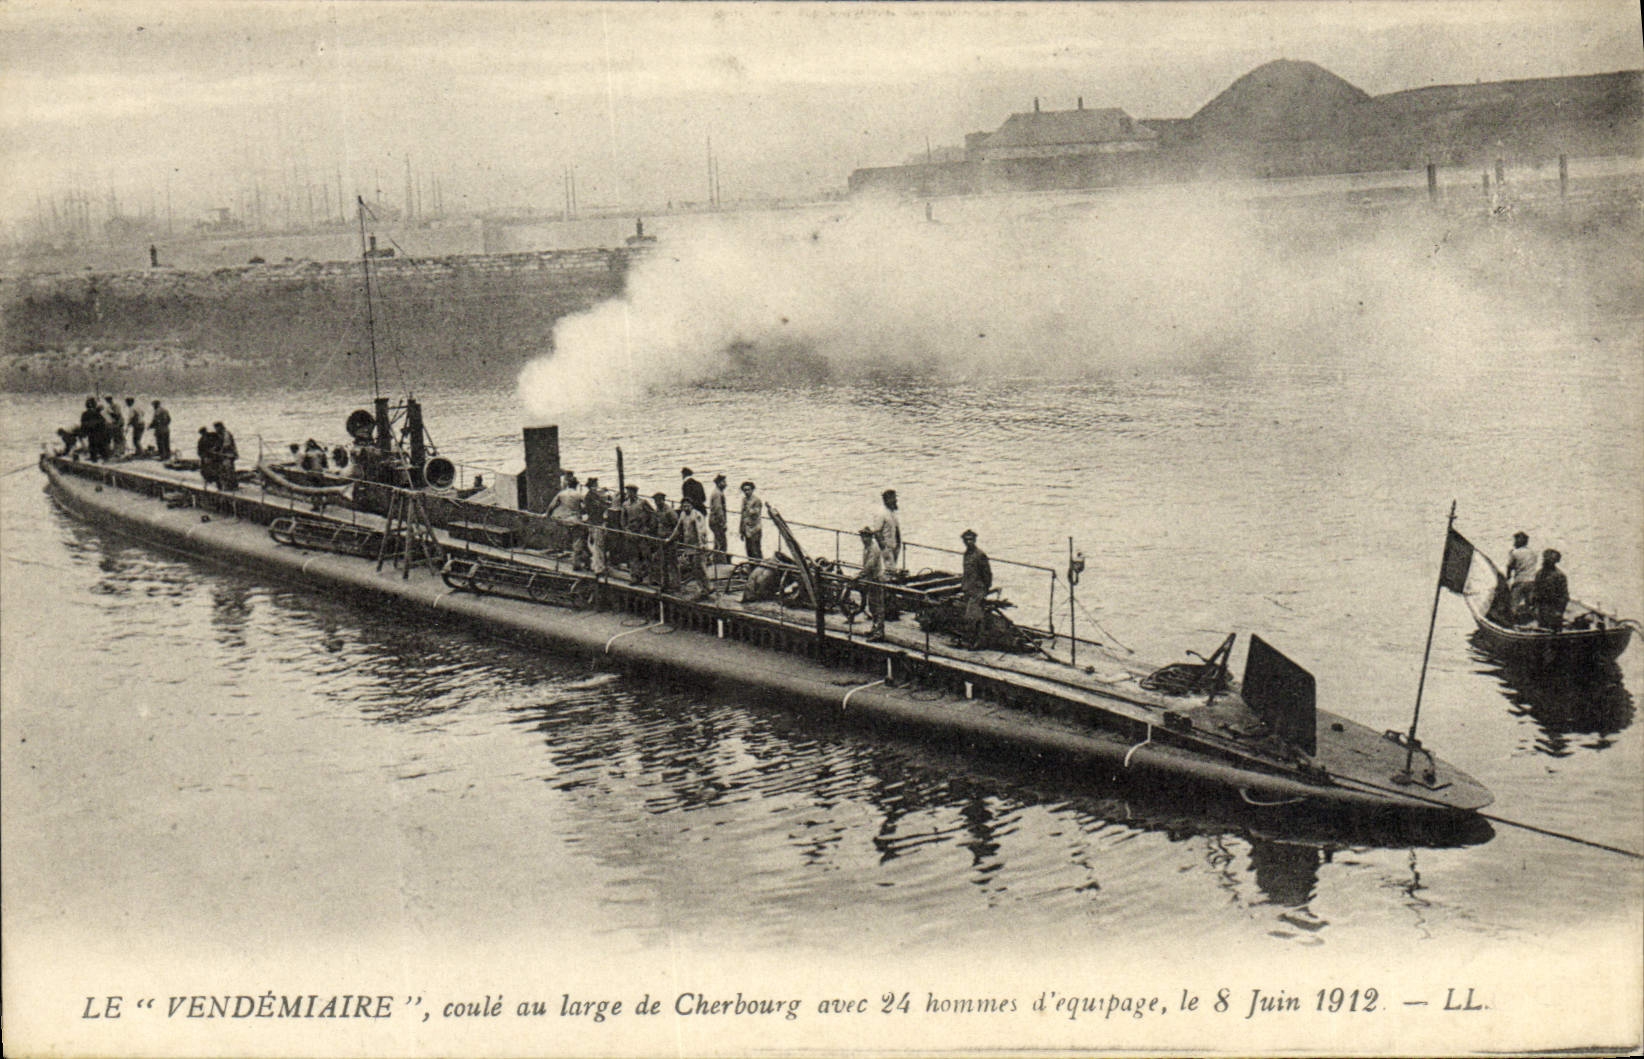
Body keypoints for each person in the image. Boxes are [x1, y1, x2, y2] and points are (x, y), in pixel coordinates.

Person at [670, 496, 713, 600]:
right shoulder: (683, 515)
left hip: (698, 546)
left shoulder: (697, 515)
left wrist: (701, 545)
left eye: (687, 506)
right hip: (689, 546)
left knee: (700, 567)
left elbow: (700, 531)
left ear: (691, 506)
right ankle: (702, 589)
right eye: (684, 506)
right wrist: (670, 538)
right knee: (694, 568)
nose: (685, 508)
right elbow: (678, 528)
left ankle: (707, 587)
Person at [960, 529, 992, 649]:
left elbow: (987, 574)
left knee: (972, 616)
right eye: (966, 540)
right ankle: (969, 640)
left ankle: (978, 642)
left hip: (978, 590)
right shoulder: (966, 554)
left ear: (974, 540)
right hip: (968, 588)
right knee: (967, 615)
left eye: (971, 540)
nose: (969, 542)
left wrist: (985, 590)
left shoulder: (980, 555)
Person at [857, 527, 888, 641]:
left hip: (876, 579)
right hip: (871, 579)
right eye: (862, 536)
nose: (863, 539)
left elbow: (870, 564)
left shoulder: (874, 548)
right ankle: (874, 629)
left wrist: (860, 575)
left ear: (870, 537)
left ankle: (879, 633)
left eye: (865, 536)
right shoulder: (867, 547)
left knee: (878, 607)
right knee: (872, 605)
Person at [1532, 549, 1569, 631]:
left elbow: (1564, 596)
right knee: (1542, 630)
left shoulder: (1559, 575)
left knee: (1555, 632)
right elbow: (1535, 591)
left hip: (1554, 608)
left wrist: (1559, 611)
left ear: (1555, 561)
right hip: (1542, 608)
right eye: (1545, 558)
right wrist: (1535, 607)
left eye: (1550, 559)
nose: (1546, 560)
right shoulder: (1539, 574)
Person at [1505, 532, 1539, 622]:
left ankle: (1511, 622)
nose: (1514, 543)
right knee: (1530, 603)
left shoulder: (1514, 553)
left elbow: (1510, 567)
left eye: (1515, 540)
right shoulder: (1533, 552)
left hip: (1520, 581)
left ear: (1518, 542)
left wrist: (1507, 578)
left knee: (1513, 603)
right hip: (1532, 580)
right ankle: (1532, 621)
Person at [652, 492, 679, 589]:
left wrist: (671, 538)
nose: (657, 503)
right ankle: (665, 583)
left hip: (670, 540)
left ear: (663, 500)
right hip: (661, 539)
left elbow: (677, 526)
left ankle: (676, 584)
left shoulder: (669, 512)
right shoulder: (657, 511)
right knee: (662, 561)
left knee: (672, 562)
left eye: (659, 500)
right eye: (655, 501)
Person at [875, 489, 903, 573]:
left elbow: (896, 528)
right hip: (887, 546)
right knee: (889, 567)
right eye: (893, 498)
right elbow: (877, 531)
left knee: (893, 567)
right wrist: (884, 547)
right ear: (887, 500)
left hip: (895, 545)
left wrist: (899, 543)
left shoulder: (893, 512)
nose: (896, 500)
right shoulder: (881, 513)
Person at [739, 480, 764, 559]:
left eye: (748, 489)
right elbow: (742, 516)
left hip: (755, 529)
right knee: (749, 550)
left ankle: (759, 565)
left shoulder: (756, 500)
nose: (746, 492)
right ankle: (751, 566)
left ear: (752, 490)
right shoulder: (744, 500)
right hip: (747, 530)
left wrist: (749, 509)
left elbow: (756, 513)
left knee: (756, 550)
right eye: (745, 490)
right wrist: (741, 530)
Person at [708, 473, 730, 563]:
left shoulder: (717, 492)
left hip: (714, 521)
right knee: (722, 543)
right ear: (719, 483)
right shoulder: (717, 493)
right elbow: (718, 509)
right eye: (724, 482)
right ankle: (720, 562)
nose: (726, 484)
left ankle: (716, 559)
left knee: (718, 541)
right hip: (717, 522)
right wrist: (723, 523)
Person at [81, 397, 109, 462]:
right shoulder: (97, 413)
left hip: (93, 433)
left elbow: (83, 424)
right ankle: (104, 459)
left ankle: (95, 460)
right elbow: (103, 422)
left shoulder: (86, 413)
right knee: (100, 447)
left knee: (93, 447)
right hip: (98, 433)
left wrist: (84, 432)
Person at [212, 421, 239, 489]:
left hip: (228, 455)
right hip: (224, 455)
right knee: (223, 470)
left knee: (228, 470)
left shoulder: (226, 434)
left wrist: (218, 451)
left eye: (216, 428)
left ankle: (231, 486)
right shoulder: (220, 434)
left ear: (220, 427)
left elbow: (226, 445)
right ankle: (225, 485)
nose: (216, 430)